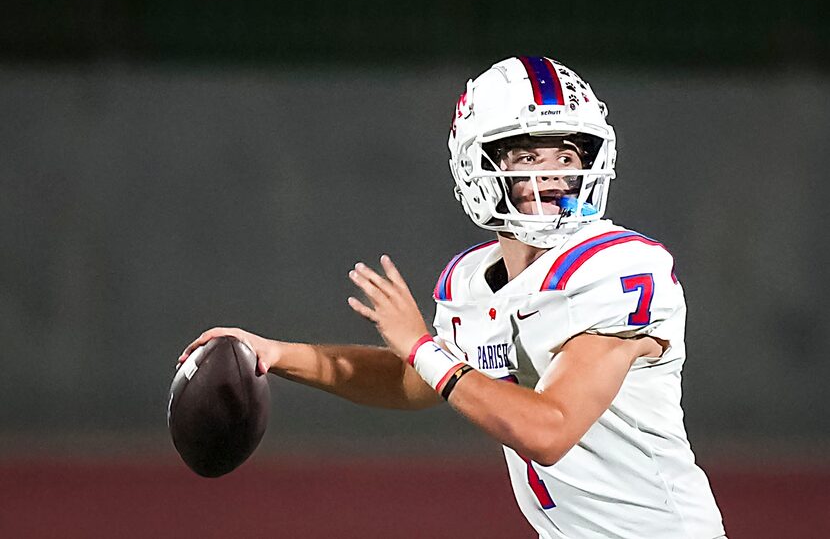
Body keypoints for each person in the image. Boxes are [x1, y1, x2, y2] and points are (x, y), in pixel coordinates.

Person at [181, 56, 726, 539]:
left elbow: (548, 429)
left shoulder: (619, 268)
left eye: (565, 154)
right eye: (529, 157)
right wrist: (275, 354)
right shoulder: (472, 280)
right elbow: (412, 381)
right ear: (479, 166)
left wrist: (421, 345)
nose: (557, 175)